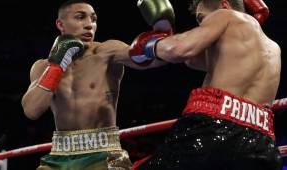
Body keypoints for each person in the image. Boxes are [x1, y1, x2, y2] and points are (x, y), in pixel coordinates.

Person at [129, 0, 283, 169]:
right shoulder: (273, 47)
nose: (201, 26)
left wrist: (152, 44)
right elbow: (192, 59)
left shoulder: (226, 15)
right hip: (262, 143)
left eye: (202, 19)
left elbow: (180, 49)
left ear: (224, 5)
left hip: (213, 131)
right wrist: (169, 38)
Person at [21, 0, 170, 169]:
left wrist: (163, 31)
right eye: (80, 17)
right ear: (60, 24)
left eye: (93, 19)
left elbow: (153, 59)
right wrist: (57, 66)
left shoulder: (106, 51)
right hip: (59, 155)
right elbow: (32, 110)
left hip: (104, 153)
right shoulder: (42, 66)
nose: (89, 25)